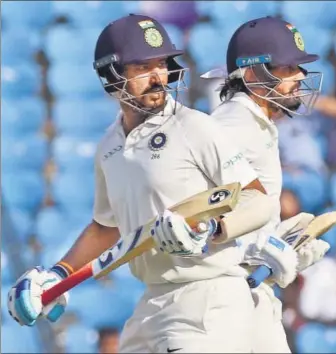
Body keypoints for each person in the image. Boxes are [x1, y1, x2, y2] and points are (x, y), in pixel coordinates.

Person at [7, 14, 300, 353]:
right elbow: (107, 227)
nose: (158, 76)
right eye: (142, 68)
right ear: (111, 76)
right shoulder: (109, 148)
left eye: (161, 64)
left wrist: (212, 229)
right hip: (152, 300)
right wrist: (58, 274)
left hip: (208, 297)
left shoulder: (194, 127)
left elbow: (258, 200)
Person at [201, 16, 332, 353]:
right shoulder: (233, 124)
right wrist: (252, 253)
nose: (300, 76)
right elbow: (195, 215)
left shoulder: (254, 123)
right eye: (287, 67)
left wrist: (278, 245)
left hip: (248, 294)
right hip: (223, 300)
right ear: (251, 74)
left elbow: (240, 209)